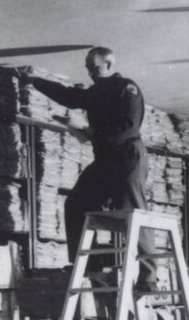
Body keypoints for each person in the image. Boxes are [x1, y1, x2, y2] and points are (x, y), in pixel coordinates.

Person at [19, 46, 157, 290]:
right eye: (88, 68)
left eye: (95, 67)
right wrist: (36, 82)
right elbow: (69, 97)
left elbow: (128, 126)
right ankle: (87, 264)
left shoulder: (127, 88)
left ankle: (148, 278)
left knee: (134, 212)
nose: (90, 73)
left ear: (109, 64)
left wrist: (92, 132)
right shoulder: (96, 92)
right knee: (77, 204)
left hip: (127, 156)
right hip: (105, 159)